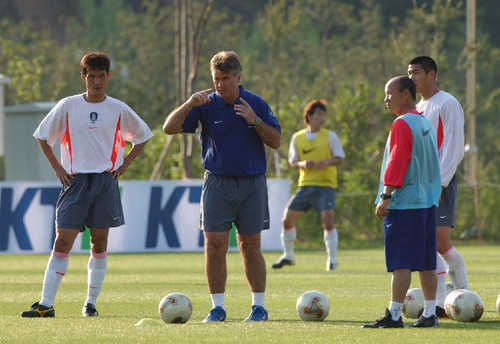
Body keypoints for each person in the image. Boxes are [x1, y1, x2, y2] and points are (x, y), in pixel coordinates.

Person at [21, 52, 153, 318]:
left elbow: (143, 136)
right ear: (83, 77)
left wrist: (123, 166)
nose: (96, 82)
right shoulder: (68, 105)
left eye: (101, 76)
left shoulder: (117, 108)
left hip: (105, 181)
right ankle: (46, 303)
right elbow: (42, 136)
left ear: (108, 76)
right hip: (75, 181)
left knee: (99, 242)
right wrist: (57, 168)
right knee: (63, 240)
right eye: (91, 76)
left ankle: (90, 303)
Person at [162, 51, 281, 322]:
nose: (220, 85)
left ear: (238, 77)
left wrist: (255, 121)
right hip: (216, 182)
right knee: (214, 244)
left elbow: (275, 140)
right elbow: (169, 128)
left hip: (252, 183)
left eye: (226, 78)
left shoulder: (256, 103)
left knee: (250, 246)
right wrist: (189, 104)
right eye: (216, 79)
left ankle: (258, 307)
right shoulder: (205, 104)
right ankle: (217, 308)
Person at [363, 76, 441, 328]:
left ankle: (395, 314)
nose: (386, 99)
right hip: (427, 202)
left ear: (405, 94)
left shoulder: (401, 124)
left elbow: (398, 161)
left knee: (401, 262)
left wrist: (386, 196)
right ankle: (430, 313)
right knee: (426, 262)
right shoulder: (423, 123)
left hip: (405, 203)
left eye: (389, 93)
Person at [408, 56, 467, 317]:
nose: (411, 78)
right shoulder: (418, 107)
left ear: (431, 74)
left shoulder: (447, 103)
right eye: (408, 73)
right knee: (432, 244)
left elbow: (454, 146)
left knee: (439, 242)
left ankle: (457, 297)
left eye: (416, 73)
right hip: (420, 185)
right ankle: (449, 300)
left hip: (439, 182)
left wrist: (441, 182)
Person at [272, 99, 345, 271]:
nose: (322, 118)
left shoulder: (330, 136)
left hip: (325, 185)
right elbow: (293, 161)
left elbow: (340, 158)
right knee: (287, 220)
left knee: (328, 221)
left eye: (323, 115)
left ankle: (332, 260)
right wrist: (303, 164)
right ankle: (288, 255)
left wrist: (326, 162)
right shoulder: (297, 137)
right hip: (305, 185)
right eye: (318, 115)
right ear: (309, 117)